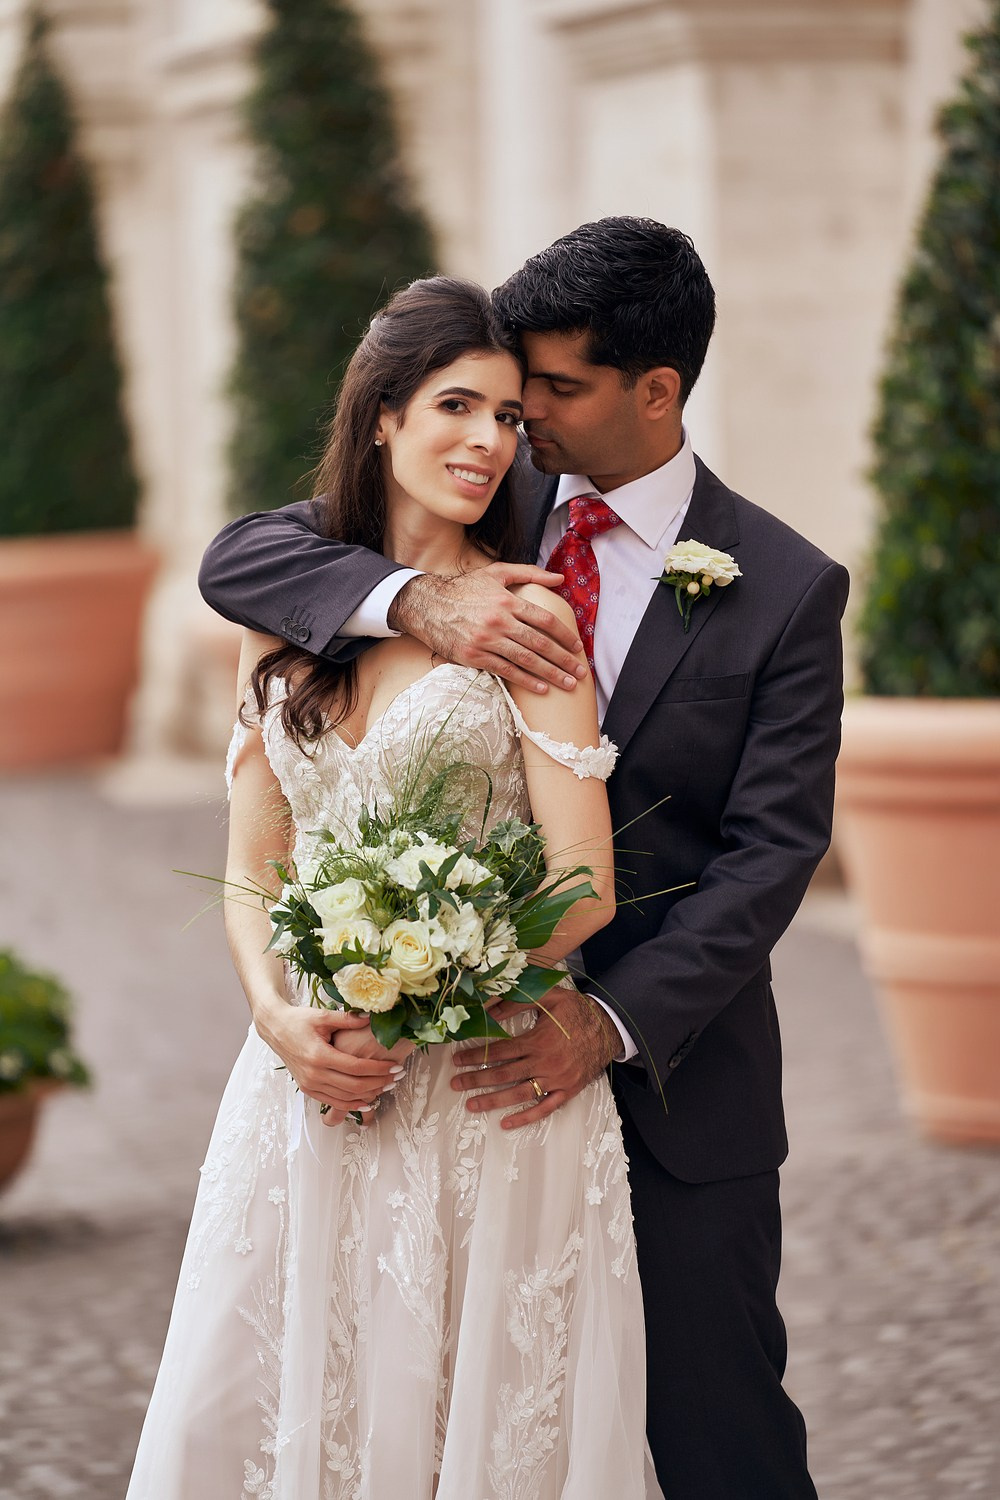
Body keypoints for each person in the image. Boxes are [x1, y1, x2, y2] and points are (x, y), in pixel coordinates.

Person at [199, 217, 851, 1499]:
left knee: (714, 1425)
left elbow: (772, 856)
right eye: (499, 391)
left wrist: (602, 1023)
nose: (517, 418)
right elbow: (243, 560)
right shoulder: (480, 485)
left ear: (653, 391)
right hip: (417, 1079)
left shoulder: (781, 587)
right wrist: (415, 602)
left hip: (664, 1078)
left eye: (551, 389)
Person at [126, 276, 658, 1500]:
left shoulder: (532, 618)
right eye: (455, 407)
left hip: (484, 1088)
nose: (487, 442)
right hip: (313, 1082)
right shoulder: (286, 611)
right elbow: (256, 866)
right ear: (381, 416)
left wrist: (443, 976)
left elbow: (583, 890)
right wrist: (275, 1015)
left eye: (511, 420)